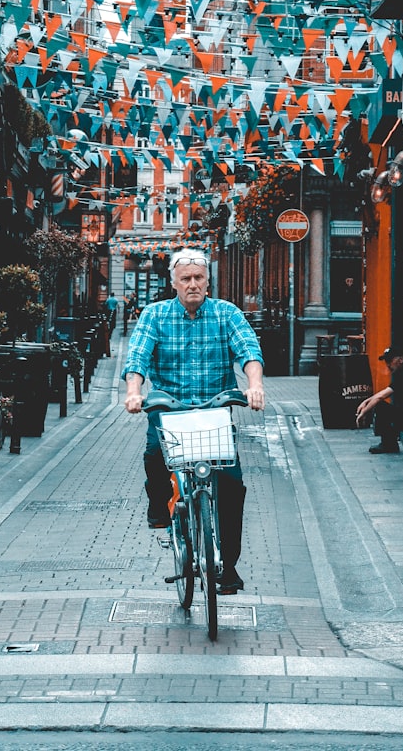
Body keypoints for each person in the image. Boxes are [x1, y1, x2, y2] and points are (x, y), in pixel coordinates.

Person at [122, 247, 265, 595]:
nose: (192, 284)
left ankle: (227, 566)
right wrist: (134, 392)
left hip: (215, 412)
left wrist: (255, 386)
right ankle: (159, 506)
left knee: (232, 487)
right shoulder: (155, 316)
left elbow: (248, 349)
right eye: (185, 278)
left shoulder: (225, 314)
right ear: (173, 282)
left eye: (198, 278)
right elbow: (138, 357)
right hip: (169, 410)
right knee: (154, 455)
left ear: (208, 281)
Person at [355, 345, 403, 453]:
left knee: (380, 407)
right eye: (386, 361)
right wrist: (366, 401)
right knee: (380, 405)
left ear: (401, 360)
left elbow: (381, 397)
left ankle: (388, 444)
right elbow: (382, 393)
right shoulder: (400, 373)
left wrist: (364, 412)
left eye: (390, 360)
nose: (388, 364)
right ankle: (389, 442)